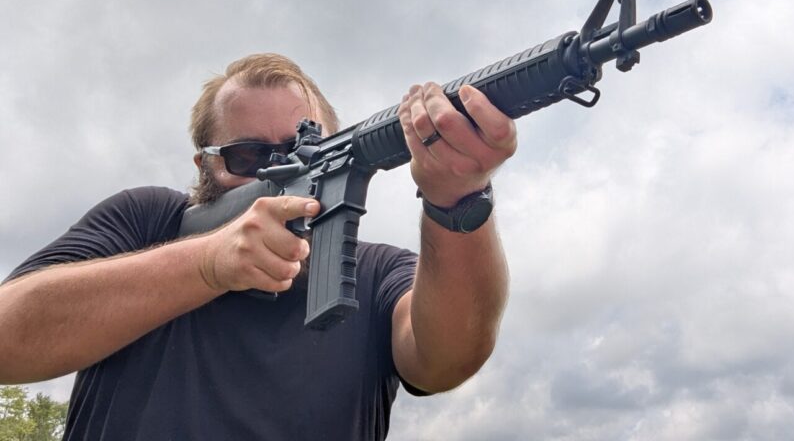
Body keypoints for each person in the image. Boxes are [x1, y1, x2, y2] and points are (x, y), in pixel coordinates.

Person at [0, 53, 517, 440]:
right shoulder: (147, 221)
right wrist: (208, 264)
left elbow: (447, 359)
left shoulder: (377, 271)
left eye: (301, 150)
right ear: (204, 166)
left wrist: (458, 201)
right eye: (248, 156)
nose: (278, 170)